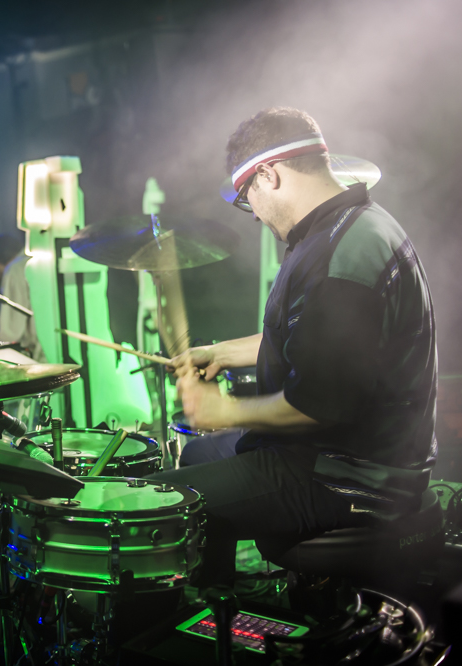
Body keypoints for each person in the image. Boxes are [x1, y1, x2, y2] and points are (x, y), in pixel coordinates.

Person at [151, 107, 437, 586]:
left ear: (269, 174)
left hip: (350, 474)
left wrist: (224, 412)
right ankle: (213, 612)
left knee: (156, 505)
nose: (255, 214)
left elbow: (319, 406)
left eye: (248, 198)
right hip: (338, 454)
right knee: (198, 457)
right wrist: (220, 352)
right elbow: (323, 342)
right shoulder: (353, 225)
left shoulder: (339, 258)